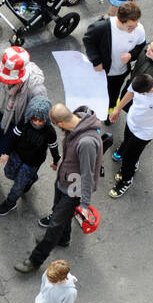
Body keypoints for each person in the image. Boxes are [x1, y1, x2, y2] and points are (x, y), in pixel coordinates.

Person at [17, 104, 102, 273]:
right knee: (58, 212)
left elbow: (87, 174)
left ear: (60, 123)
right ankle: (63, 238)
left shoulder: (86, 142)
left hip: (74, 189)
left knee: (55, 224)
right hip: (63, 181)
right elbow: (71, 155)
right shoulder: (74, 125)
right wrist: (60, 164)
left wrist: (84, 205)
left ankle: (35, 260)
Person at [0, 45, 48, 182]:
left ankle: (28, 177)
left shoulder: (36, 89)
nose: (4, 81)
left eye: (8, 80)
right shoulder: (1, 71)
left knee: (14, 153)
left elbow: (40, 116)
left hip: (20, 125)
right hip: (1, 116)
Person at [107, 73, 153, 198]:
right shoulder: (140, 82)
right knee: (127, 142)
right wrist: (117, 109)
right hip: (131, 122)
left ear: (149, 90)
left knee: (128, 158)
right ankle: (132, 163)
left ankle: (126, 180)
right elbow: (130, 93)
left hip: (144, 132)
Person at [0, 95, 60, 216]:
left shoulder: (50, 132)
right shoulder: (24, 123)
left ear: (47, 118)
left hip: (33, 162)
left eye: (41, 120)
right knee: (9, 173)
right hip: (17, 155)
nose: (37, 122)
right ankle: (31, 179)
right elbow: (13, 138)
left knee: (19, 185)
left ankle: (10, 202)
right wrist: (7, 153)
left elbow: (54, 148)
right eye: (34, 118)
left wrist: (56, 162)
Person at [83, 0, 147, 114]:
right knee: (100, 93)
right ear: (120, 20)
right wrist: (96, 61)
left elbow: (141, 47)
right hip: (102, 72)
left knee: (114, 93)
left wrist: (131, 55)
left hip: (121, 72)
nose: (134, 29)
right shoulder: (101, 27)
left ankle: (109, 111)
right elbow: (88, 40)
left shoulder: (139, 29)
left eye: (136, 25)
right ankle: (95, 109)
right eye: (130, 27)